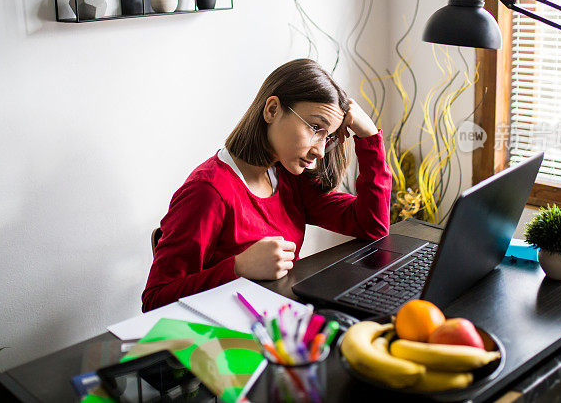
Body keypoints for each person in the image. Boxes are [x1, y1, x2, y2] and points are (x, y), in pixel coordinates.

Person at [141, 59, 392, 311]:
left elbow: (371, 225)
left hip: (282, 322)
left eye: (327, 137)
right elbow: (155, 299)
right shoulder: (207, 192)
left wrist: (368, 138)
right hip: (230, 339)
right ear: (272, 110)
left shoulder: (290, 177)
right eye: (315, 128)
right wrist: (238, 267)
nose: (319, 151)